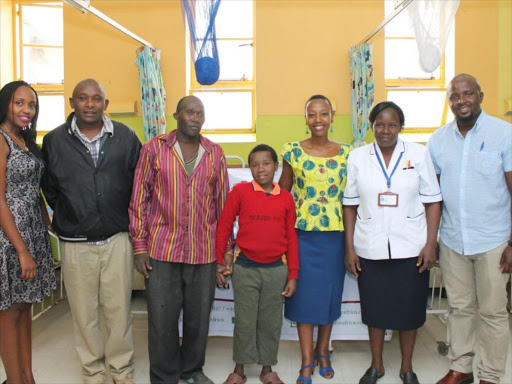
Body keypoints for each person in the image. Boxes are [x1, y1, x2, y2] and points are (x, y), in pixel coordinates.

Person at [41, 79, 141, 384]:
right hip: (75, 241)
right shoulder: (55, 140)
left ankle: (121, 370)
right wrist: (71, 213)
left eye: (96, 99)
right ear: (72, 102)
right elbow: (50, 187)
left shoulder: (125, 137)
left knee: (119, 309)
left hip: (117, 237)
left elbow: (138, 183)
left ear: (105, 105)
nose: (89, 104)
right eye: (83, 98)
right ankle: (93, 371)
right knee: (84, 313)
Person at [129, 95, 229, 384]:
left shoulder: (215, 153)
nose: (196, 118)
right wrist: (139, 246)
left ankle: (192, 371)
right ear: (176, 115)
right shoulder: (154, 149)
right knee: (162, 321)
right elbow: (139, 199)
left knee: (198, 320)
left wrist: (225, 253)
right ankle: (164, 377)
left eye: (200, 113)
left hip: (203, 252)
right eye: (190, 112)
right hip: (162, 251)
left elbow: (222, 207)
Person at [343, 101, 442, 384]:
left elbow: (433, 201)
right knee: (375, 310)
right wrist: (350, 248)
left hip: (411, 246)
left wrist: (430, 244)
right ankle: (377, 366)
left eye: (392, 125)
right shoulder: (358, 157)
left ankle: (407, 367)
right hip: (370, 246)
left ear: (401, 127)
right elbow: (349, 204)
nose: (385, 131)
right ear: (372, 126)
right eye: (380, 125)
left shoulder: (419, 154)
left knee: (409, 311)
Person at [428, 74, 512, 384]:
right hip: (452, 240)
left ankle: (489, 374)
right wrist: (432, 239)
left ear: (480, 95)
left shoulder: (504, 134)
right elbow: (433, 196)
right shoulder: (438, 140)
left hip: (494, 241)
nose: (461, 100)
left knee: (492, 311)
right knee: (460, 307)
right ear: (449, 101)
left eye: (468, 94)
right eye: (455, 96)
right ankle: (460, 368)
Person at [279, 94, 351, 384]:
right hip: (302, 236)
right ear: (305, 118)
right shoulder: (292, 152)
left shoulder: (348, 153)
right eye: (312, 114)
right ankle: (307, 360)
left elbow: (353, 199)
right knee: (305, 297)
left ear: (332, 117)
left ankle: (324, 351)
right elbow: (283, 197)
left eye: (323, 114)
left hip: (335, 236)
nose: (318, 120)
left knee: (330, 295)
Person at [216, 144, 299, 384]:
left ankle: (267, 368)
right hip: (245, 268)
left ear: (276, 166)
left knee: (271, 321)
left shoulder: (285, 199)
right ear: (249, 168)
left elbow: (291, 239)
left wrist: (293, 274)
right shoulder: (240, 191)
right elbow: (224, 225)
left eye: (266, 163)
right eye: (254, 164)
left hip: (276, 270)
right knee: (244, 319)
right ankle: (239, 368)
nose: (260, 169)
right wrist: (220, 259)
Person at [0, 81, 56, 384]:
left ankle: (26, 376)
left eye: (31, 105)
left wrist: (46, 222)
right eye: (19, 103)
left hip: (32, 231)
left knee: (25, 309)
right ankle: (14, 379)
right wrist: (21, 250)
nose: (26, 110)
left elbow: (31, 188)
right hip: (9, 239)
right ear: (6, 104)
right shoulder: (0, 139)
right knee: (9, 313)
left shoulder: (23, 139)